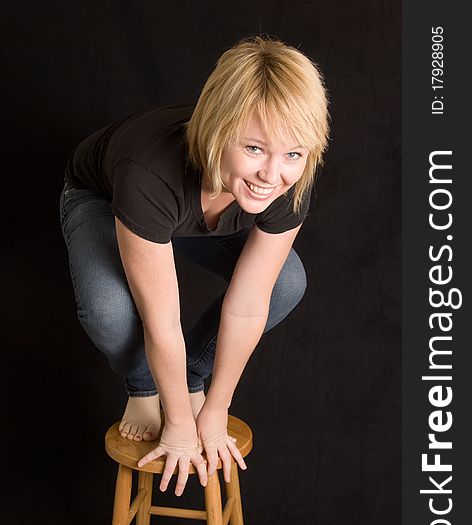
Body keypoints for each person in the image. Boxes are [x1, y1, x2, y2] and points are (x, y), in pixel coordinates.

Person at [60, 35, 329, 497]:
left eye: (292, 154)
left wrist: (213, 408)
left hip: (197, 213)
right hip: (105, 199)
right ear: (219, 129)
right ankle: (142, 385)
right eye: (253, 148)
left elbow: (247, 308)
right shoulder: (150, 171)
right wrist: (179, 426)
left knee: (286, 281)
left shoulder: (286, 181)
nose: (272, 175)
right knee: (111, 310)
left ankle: (189, 379)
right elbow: (161, 319)